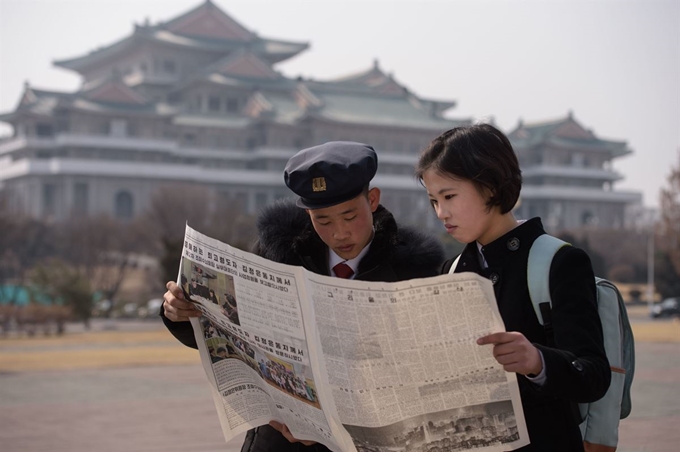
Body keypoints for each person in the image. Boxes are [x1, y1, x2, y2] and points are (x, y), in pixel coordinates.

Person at [161, 141, 445, 452]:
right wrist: (182, 313)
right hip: (278, 441)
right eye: (322, 220)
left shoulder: (415, 270)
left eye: (350, 217)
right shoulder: (277, 256)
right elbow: (230, 335)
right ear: (307, 214)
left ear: (373, 200)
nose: (339, 233)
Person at [415, 124, 611, 451]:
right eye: (433, 200)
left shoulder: (557, 261)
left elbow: (594, 375)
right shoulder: (450, 270)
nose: (441, 213)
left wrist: (538, 361)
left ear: (490, 186)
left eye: (449, 196)